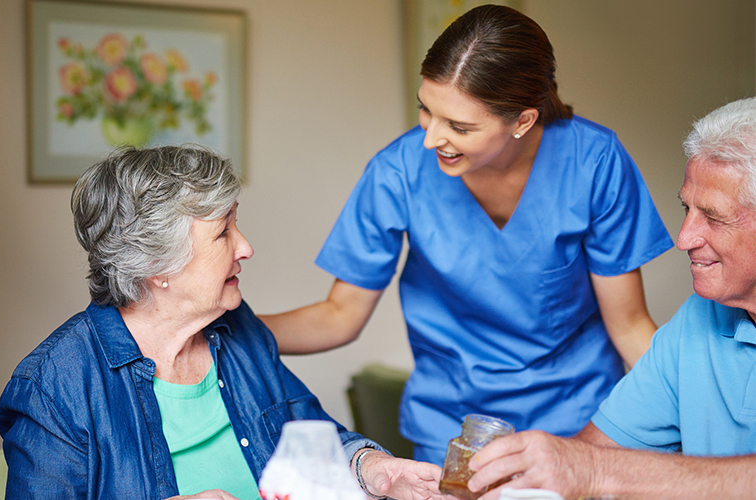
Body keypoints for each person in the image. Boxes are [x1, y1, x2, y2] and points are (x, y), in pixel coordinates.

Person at [259, 4, 673, 464]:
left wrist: (703, 421)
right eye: (426, 110)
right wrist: (224, 330)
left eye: (459, 126)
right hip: (452, 429)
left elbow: (631, 327)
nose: (431, 138)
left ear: (522, 121)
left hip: (578, 424)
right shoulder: (398, 172)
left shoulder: (593, 163)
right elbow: (339, 315)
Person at [0, 146, 447, 500]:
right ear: (158, 266)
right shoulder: (55, 386)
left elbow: (315, 440)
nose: (245, 246)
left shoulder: (237, 329)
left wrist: (373, 470)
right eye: (223, 232)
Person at [465, 97, 756, 500]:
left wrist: (597, 472)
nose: (684, 238)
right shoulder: (698, 321)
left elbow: (595, 468)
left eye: (714, 216)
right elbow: (589, 457)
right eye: (686, 208)